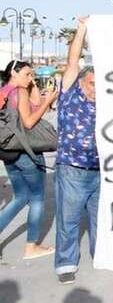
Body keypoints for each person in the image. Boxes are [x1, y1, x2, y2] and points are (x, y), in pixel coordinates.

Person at [54, 17, 98, 285]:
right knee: (68, 220)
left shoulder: (107, 101)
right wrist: (82, 29)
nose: (96, 89)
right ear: (81, 82)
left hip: (101, 169)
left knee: (99, 218)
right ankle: (66, 264)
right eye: (92, 83)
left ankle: (101, 255)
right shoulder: (70, 93)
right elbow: (72, 62)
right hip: (72, 168)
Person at [0, 60, 58, 261]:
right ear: (13, 74)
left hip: (9, 151)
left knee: (20, 197)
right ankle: (31, 247)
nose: (30, 78)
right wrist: (48, 101)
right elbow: (30, 122)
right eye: (26, 74)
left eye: (32, 74)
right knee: (37, 198)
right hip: (27, 151)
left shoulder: (4, 91)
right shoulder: (19, 92)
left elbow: (33, 104)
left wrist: (32, 84)